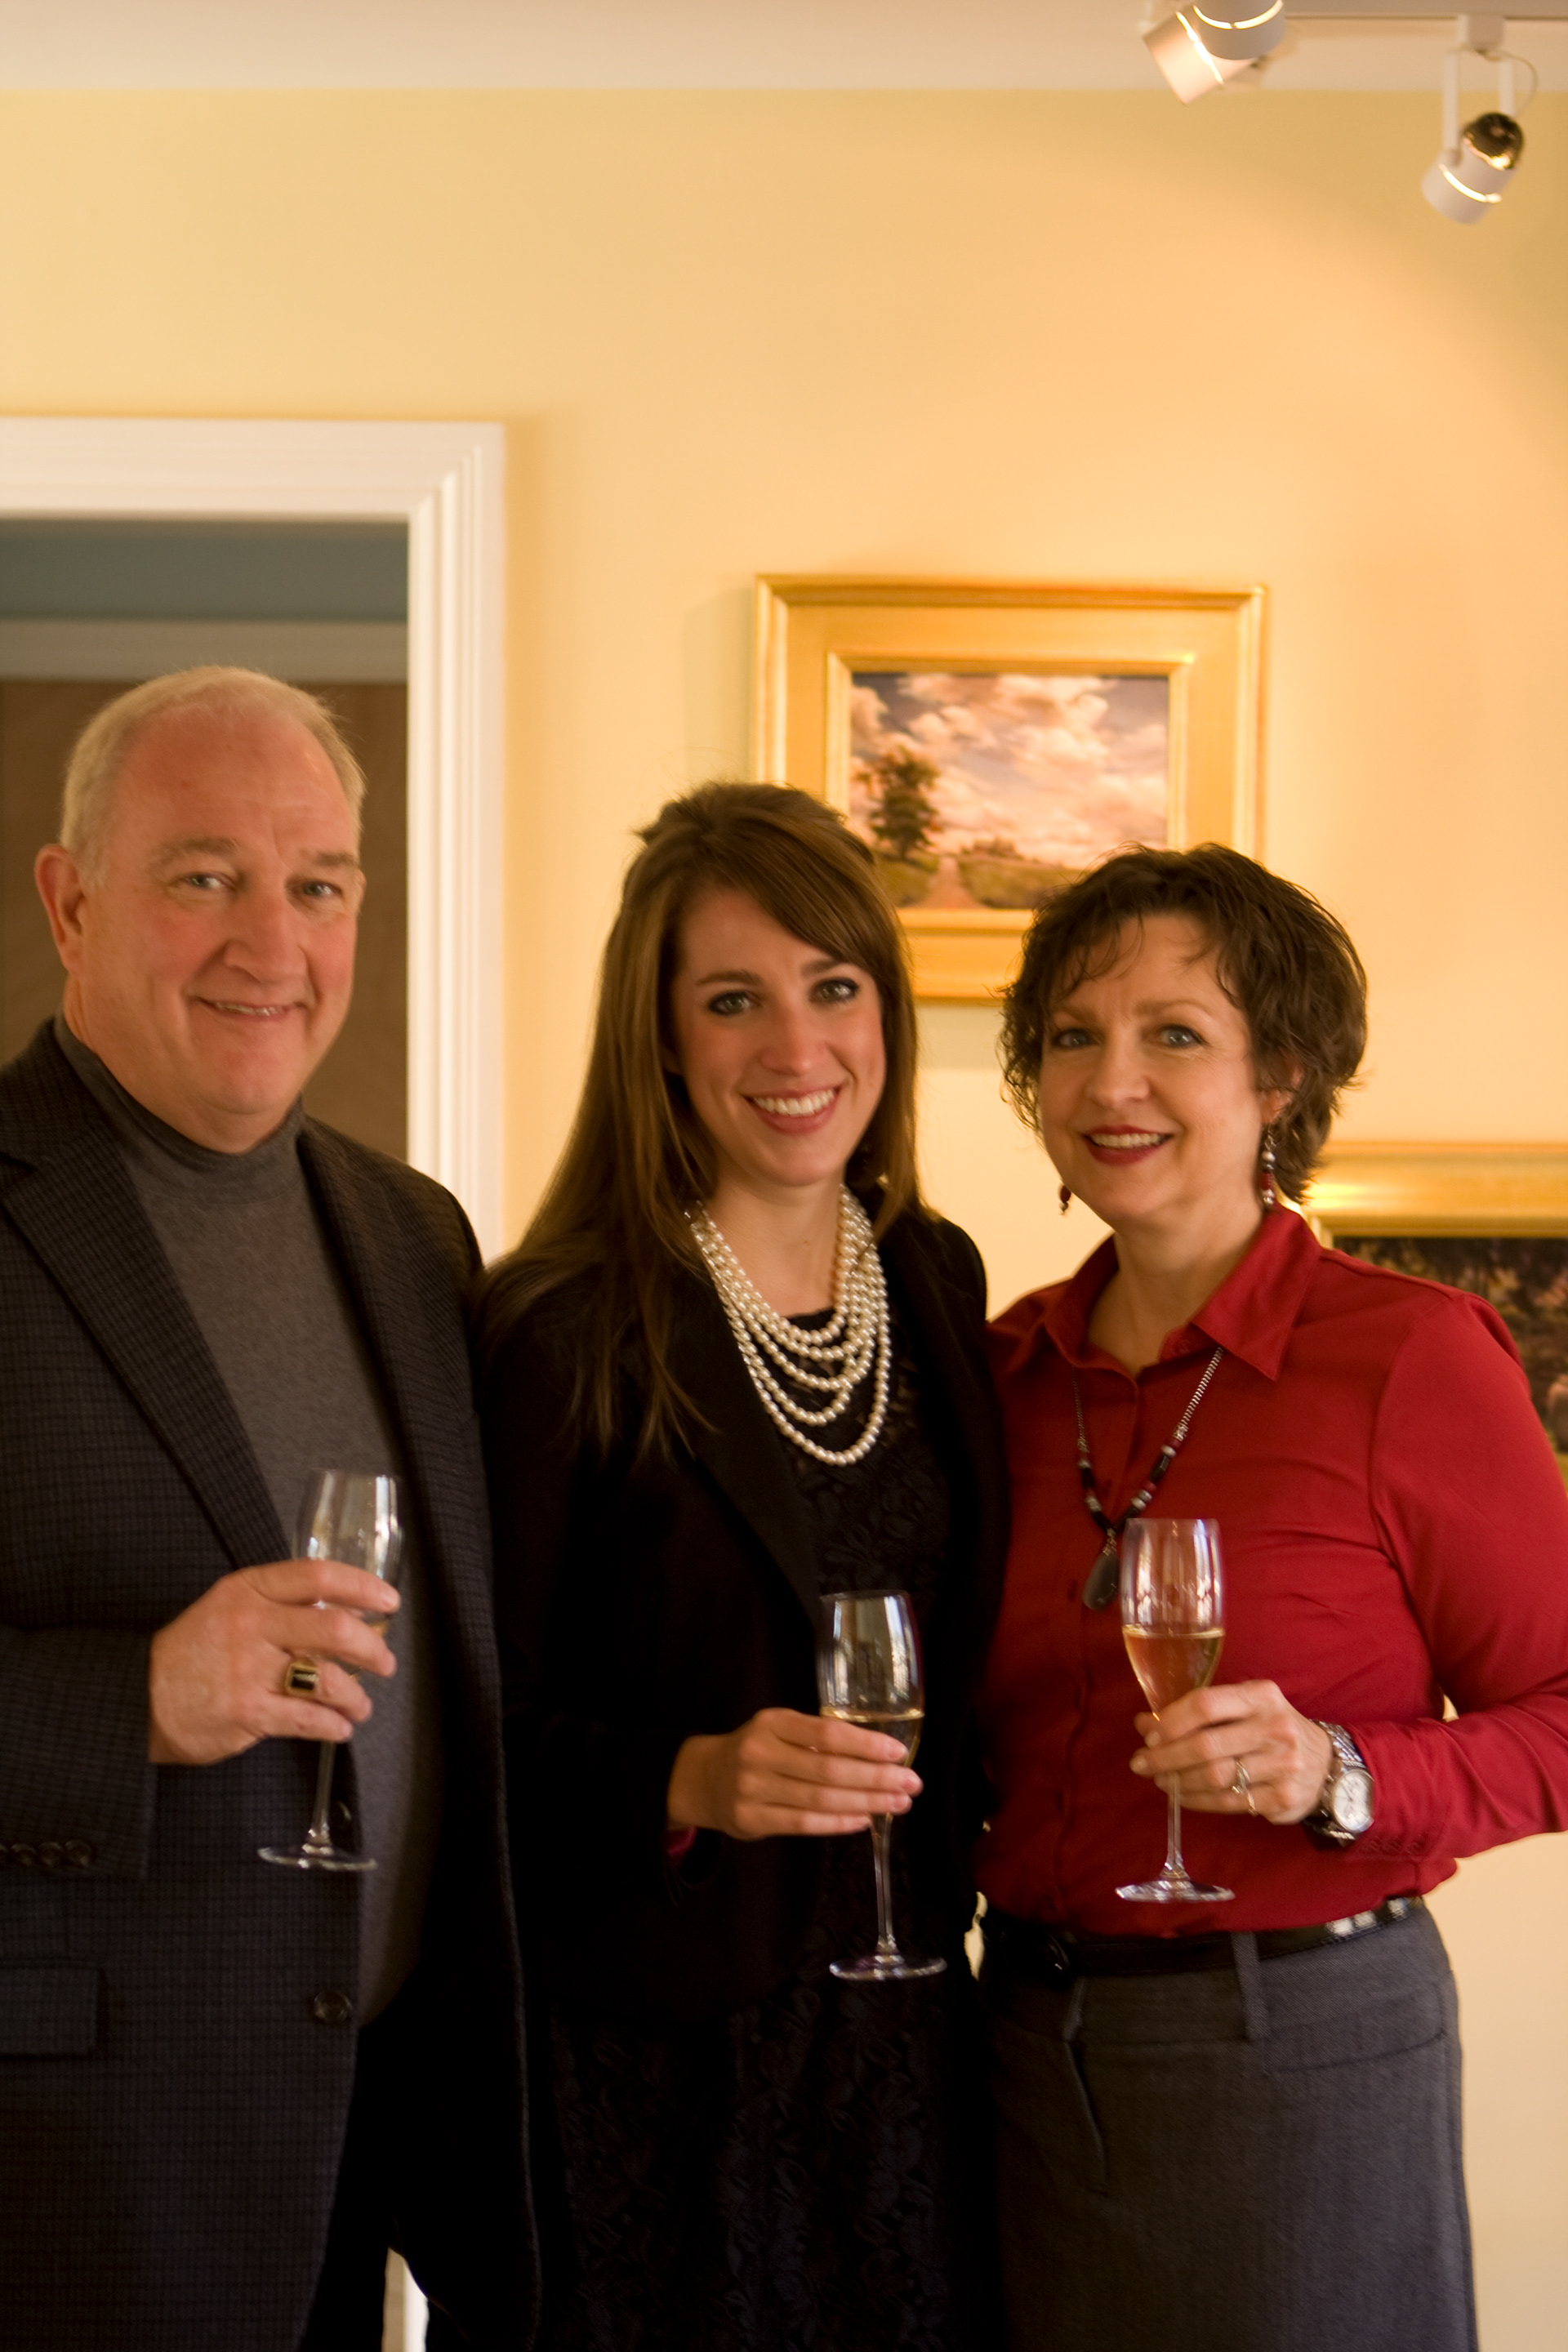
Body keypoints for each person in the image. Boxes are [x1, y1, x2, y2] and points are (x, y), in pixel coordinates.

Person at [0, 668, 532, 2352]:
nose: (272, 942)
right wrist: (135, 1700)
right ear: (69, 902)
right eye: (204, 876)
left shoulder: (414, 1235)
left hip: (364, 2136)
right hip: (72, 2166)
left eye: (319, 885)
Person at [976, 842, 1568, 2352]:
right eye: (1072, 1035)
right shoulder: (1000, 1373)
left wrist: (1339, 1770)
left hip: (1297, 2046)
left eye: (1175, 1033)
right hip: (1016, 2051)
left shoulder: (1412, 1355)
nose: (1113, 1081)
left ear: (1282, 1077)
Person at [478, 783, 1009, 2352]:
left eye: (833, 987)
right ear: (658, 1039)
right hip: (656, 2059)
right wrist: (685, 1779)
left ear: (886, 1009)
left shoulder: (936, 1275)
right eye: (732, 1001)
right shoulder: (562, 1323)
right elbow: (471, 1735)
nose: (796, 1047)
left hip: (908, 2025)